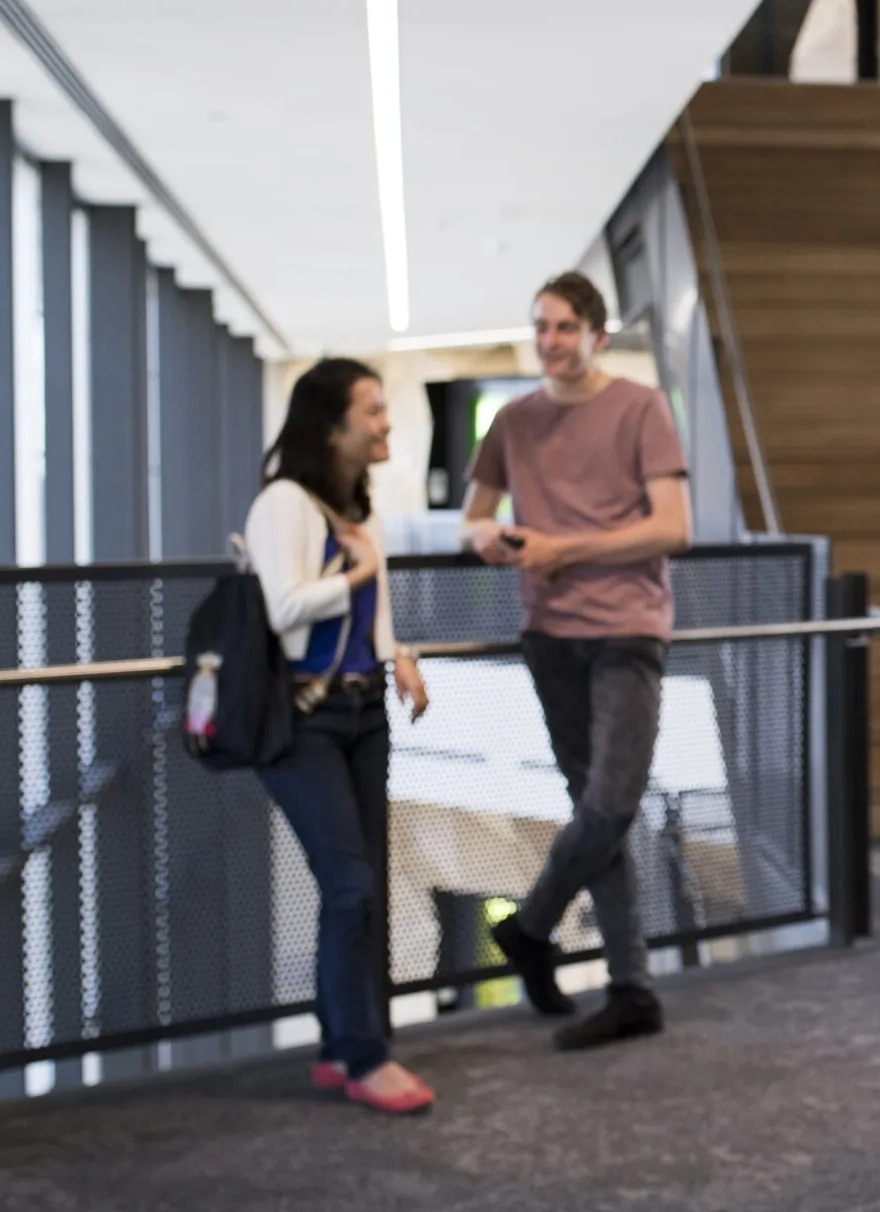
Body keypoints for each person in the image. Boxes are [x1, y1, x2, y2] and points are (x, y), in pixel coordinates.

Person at [463, 270, 693, 1052]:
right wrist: (490, 540)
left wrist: (569, 548)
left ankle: (530, 927)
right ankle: (633, 990)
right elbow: (473, 517)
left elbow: (672, 526)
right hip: (549, 632)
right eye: (541, 327)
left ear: (595, 333)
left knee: (611, 803)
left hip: (628, 628)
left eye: (564, 327)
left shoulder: (640, 407)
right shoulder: (513, 422)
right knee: (595, 807)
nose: (550, 341)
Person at [245, 356, 436, 1115]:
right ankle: (365, 1057)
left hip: (364, 714)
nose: (387, 423)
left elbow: (376, 612)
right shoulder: (283, 504)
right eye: (374, 411)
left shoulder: (360, 509)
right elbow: (285, 607)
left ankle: (340, 1045)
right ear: (333, 428)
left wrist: (400, 658)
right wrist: (355, 574)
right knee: (350, 888)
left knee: (361, 888)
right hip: (303, 720)